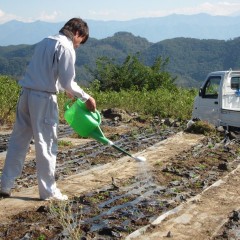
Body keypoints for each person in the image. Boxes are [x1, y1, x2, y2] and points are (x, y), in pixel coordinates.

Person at [0, 18, 96, 200]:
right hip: (43, 99)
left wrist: (64, 88)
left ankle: (6, 184)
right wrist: (86, 97)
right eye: (80, 41)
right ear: (78, 33)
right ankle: (48, 191)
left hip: (26, 93)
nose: (78, 45)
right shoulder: (66, 47)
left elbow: (48, 72)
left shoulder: (46, 40)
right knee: (46, 144)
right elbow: (69, 81)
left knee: (18, 141)